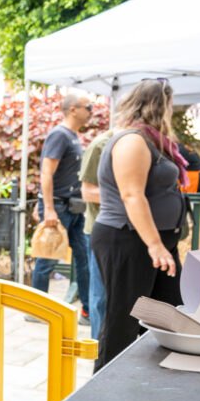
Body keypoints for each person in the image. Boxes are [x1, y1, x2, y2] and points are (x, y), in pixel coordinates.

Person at [91, 79, 186, 370]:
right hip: (128, 239)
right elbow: (131, 195)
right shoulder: (132, 140)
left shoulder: (152, 141)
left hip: (152, 243)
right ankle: (104, 387)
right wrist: (155, 245)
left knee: (167, 312)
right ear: (160, 105)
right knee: (123, 319)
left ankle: (148, 378)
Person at [30, 93, 93, 325]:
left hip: (74, 207)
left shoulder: (74, 136)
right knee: (46, 258)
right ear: (73, 109)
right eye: (88, 107)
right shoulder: (59, 135)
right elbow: (46, 173)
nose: (91, 111)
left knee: (83, 258)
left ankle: (87, 310)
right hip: (58, 206)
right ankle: (36, 310)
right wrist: (48, 209)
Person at [80, 129, 113, 340]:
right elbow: (87, 191)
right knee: (100, 298)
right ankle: (98, 351)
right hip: (100, 231)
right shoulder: (100, 145)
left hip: (131, 233)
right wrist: (129, 195)